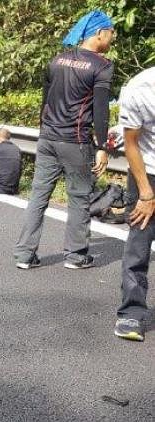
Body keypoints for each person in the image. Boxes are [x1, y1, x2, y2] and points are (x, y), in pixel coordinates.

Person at [13, 10, 115, 270]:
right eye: (111, 32)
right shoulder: (101, 66)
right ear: (99, 33)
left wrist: (44, 130)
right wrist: (102, 146)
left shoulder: (56, 61)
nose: (112, 37)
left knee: (38, 195)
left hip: (47, 138)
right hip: (75, 141)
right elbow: (101, 110)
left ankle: (24, 255)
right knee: (79, 197)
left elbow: (44, 102)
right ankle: (76, 255)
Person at [113, 66, 155, 341]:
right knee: (139, 244)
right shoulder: (141, 89)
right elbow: (130, 143)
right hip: (148, 170)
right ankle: (132, 312)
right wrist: (146, 194)